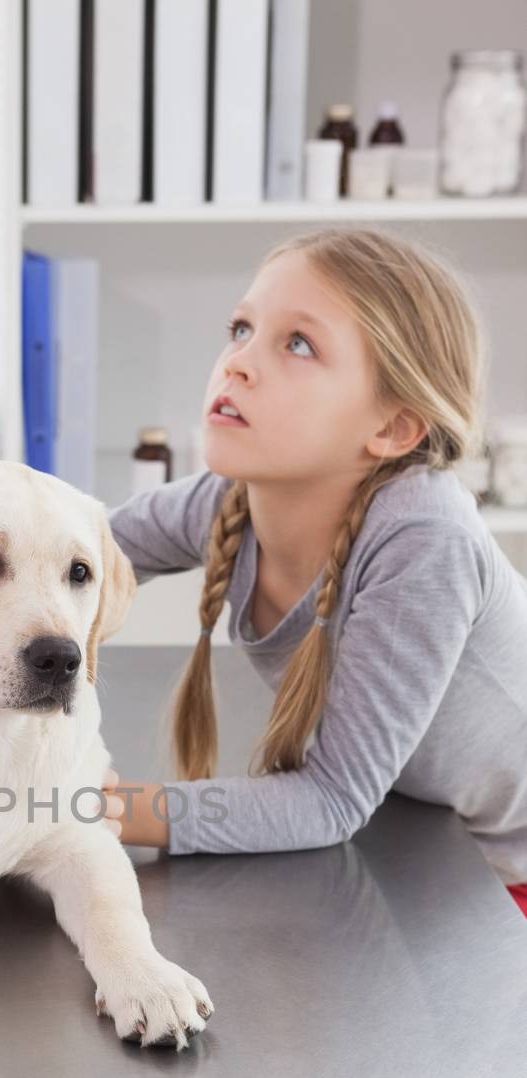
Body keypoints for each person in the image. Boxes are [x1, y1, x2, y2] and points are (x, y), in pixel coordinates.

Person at [98, 229, 527, 919]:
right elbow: (68, 551)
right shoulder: (223, 501)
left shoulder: (424, 542)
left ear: (392, 429)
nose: (236, 363)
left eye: (297, 344)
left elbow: (329, 799)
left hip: (505, 870)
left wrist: (85, 813)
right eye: (240, 328)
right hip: (422, 835)